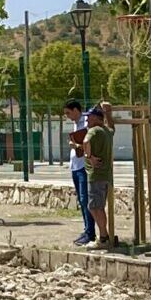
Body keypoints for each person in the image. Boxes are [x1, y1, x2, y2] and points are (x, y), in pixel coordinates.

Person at [84, 105, 117, 248]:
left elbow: (86, 141)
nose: (86, 119)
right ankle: (104, 235)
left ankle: (103, 237)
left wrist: (89, 156)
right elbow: (112, 128)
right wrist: (108, 113)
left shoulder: (94, 131)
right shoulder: (106, 131)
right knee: (98, 206)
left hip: (96, 174)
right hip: (105, 174)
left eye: (89, 117)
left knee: (94, 207)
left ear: (97, 118)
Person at [63, 99, 92, 245]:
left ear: (76, 110)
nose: (67, 116)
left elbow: (89, 144)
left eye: (68, 112)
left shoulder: (87, 122)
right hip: (75, 166)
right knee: (82, 200)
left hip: (83, 166)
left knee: (85, 199)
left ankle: (90, 232)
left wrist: (77, 145)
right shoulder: (76, 124)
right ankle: (87, 228)